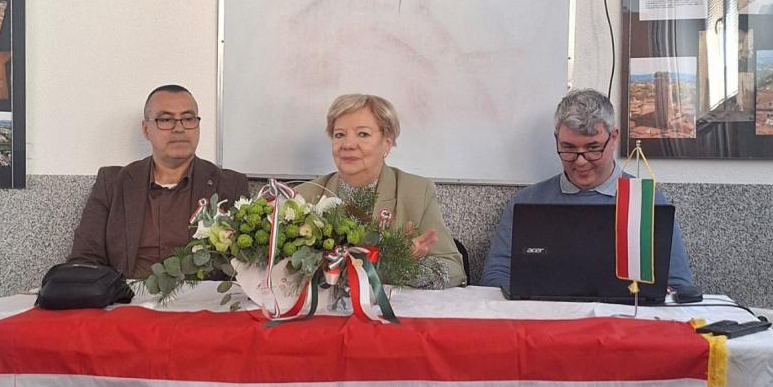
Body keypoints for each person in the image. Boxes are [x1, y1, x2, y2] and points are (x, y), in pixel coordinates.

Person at [480, 88, 694, 289]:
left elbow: (678, 283)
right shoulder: (527, 202)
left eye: (593, 148)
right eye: (568, 148)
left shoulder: (646, 202)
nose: (581, 161)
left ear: (614, 138)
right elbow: (495, 276)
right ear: (557, 140)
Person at [69, 84, 249, 278]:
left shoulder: (230, 185)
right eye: (166, 120)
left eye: (188, 119)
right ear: (146, 129)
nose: (179, 128)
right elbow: (84, 260)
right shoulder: (113, 184)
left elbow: (246, 265)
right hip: (125, 293)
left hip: (202, 295)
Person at [296, 93, 466, 288]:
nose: (348, 145)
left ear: (387, 142)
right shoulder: (304, 197)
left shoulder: (416, 192)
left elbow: (454, 268)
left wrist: (405, 266)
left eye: (363, 134)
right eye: (339, 134)